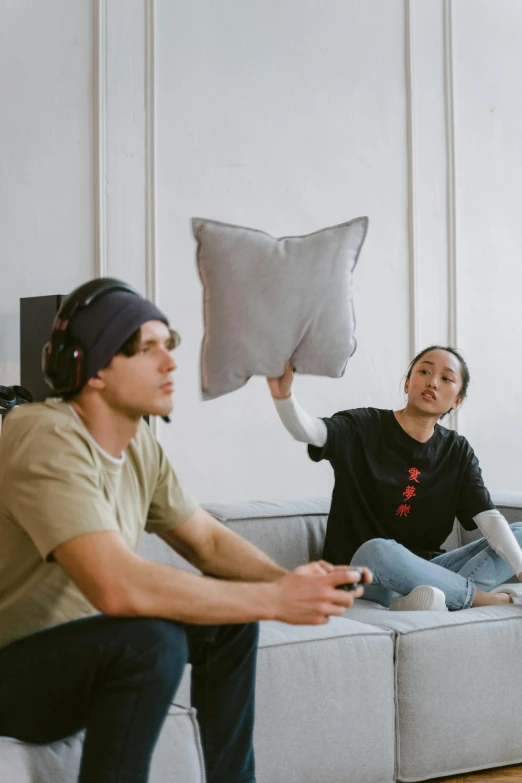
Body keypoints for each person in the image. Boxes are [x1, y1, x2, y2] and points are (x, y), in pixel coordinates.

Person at [0, 278, 371, 783]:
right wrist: (276, 599)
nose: (171, 361)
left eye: (167, 346)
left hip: (82, 655)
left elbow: (207, 542)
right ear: (94, 368)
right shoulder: (42, 433)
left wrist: (286, 579)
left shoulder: (139, 447)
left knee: (229, 622)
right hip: (13, 672)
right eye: (147, 349)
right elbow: (116, 585)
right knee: (151, 641)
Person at [268, 345, 522, 612]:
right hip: (362, 573)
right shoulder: (364, 426)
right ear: (407, 384)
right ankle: (487, 599)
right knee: (378, 549)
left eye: (446, 378)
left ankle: (431, 597)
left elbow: (488, 518)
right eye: (424, 371)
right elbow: (312, 432)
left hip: (428, 570)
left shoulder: (456, 451)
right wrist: (283, 396)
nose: (432, 382)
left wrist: (519, 567)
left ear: (456, 400)